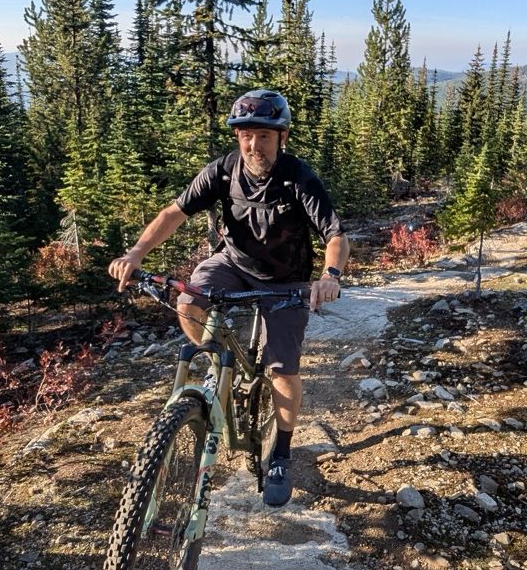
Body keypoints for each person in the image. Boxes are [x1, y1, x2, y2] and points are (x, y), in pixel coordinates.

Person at [108, 89, 349, 508]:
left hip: (287, 282)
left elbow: (335, 236)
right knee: (189, 299)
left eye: (264, 136)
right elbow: (173, 214)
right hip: (232, 265)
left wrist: (330, 276)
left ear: (282, 137)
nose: (253, 145)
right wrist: (135, 254)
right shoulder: (223, 171)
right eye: (246, 135)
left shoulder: (299, 178)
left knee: (282, 371)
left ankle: (281, 452)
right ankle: (215, 363)